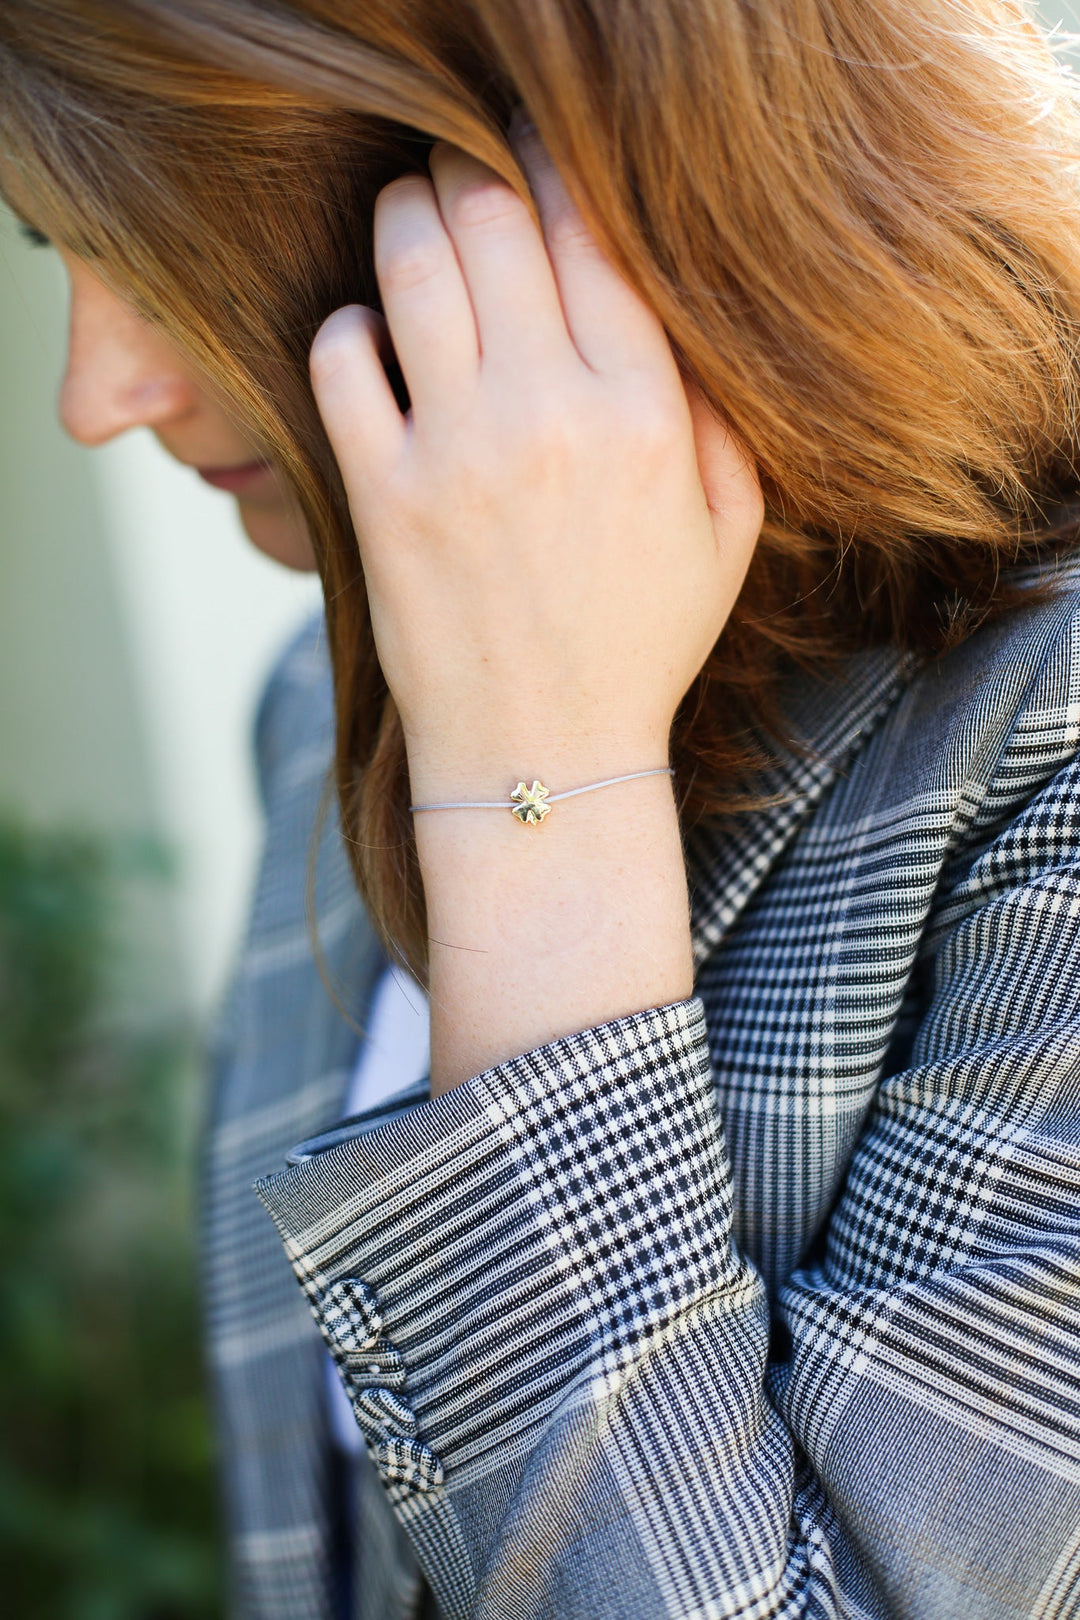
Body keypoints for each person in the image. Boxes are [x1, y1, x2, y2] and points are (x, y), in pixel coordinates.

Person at [3, 2, 1080, 1616]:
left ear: (556, 186)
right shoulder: (333, 694)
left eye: (168, 238)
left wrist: (545, 817)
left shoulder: (1044, 743)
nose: (98, 392)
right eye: (49, 241)